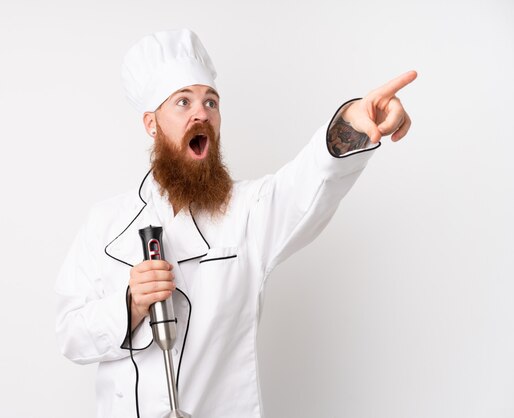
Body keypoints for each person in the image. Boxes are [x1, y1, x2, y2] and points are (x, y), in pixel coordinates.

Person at [55, 28, 417, 418]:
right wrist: (130, 305)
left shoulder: (246, 211)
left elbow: (308, 184)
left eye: (211, 101)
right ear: (151, 124)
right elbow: (71, 336)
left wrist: (355, 126)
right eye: (183, 101)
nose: (202, 113)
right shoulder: (105, 223)